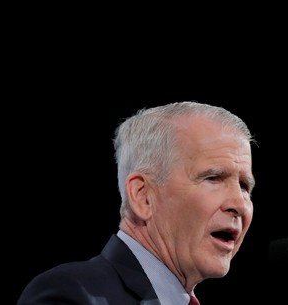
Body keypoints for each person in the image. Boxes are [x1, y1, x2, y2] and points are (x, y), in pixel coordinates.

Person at [17, 101, 256, 305]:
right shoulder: (74, 294)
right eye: (213, 178)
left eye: (245, 186)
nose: (240, 204)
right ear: (143, 196)